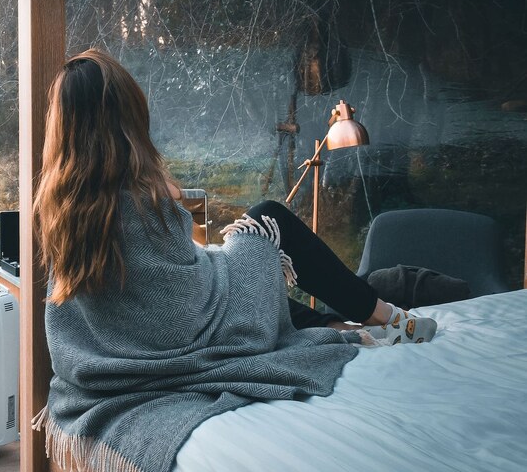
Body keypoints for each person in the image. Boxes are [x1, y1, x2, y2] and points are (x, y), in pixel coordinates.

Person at [30, 49, 437, 472]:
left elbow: (143, 286)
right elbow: (181, 289)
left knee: (243, 278)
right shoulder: (146, 194)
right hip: (186, 333)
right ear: (125, 117)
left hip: (130, 348)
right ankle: (386, 316)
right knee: (268, 218)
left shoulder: (60, 206)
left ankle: (339, 326)